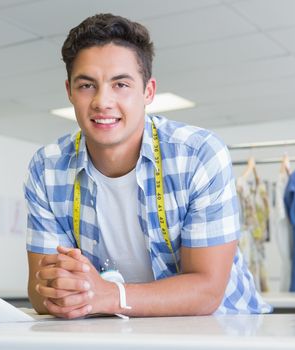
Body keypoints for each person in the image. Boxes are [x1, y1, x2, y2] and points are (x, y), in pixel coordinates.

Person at [24, 13, 271, 319]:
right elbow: (39, 292)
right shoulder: (47, 169)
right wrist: (61, 290)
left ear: (148, 92)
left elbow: (206, 291)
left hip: (224, 329)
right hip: (123, 329)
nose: (102, 101)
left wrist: (108, 295)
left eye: (121, 85)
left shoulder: (198, 156)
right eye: (87, 85)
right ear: (69, 91)